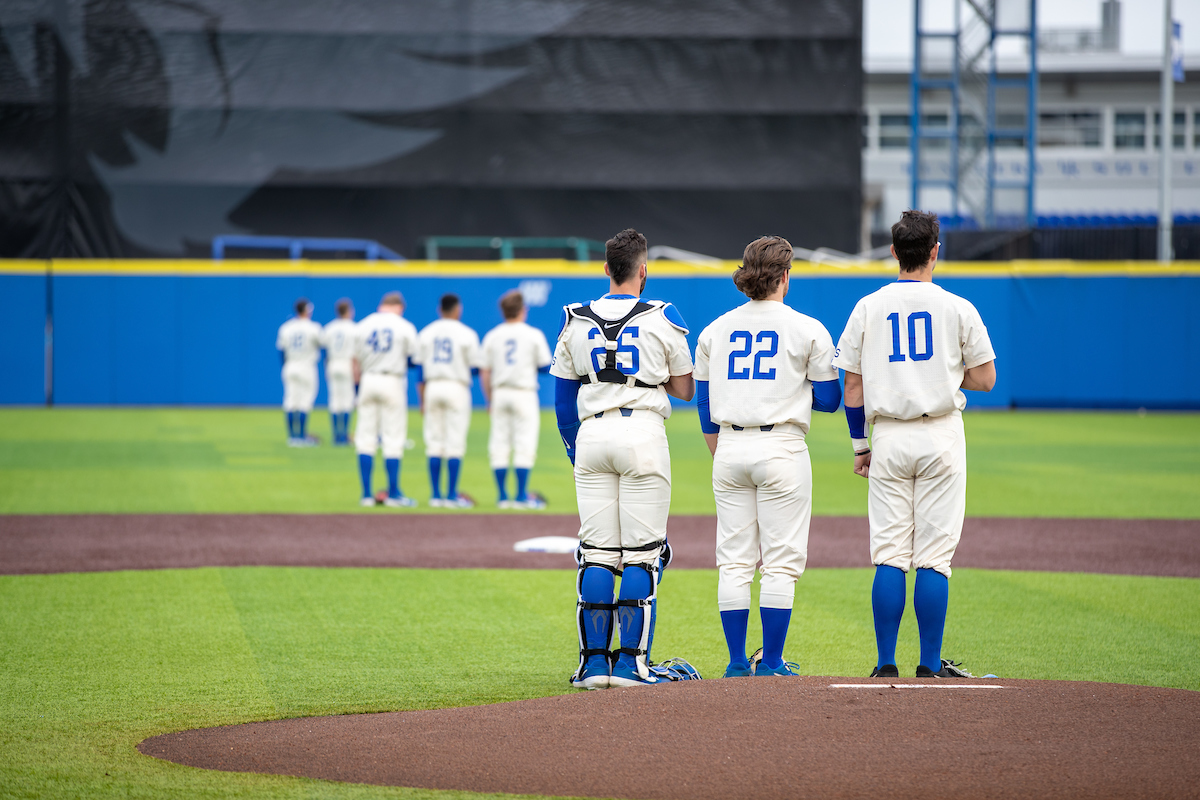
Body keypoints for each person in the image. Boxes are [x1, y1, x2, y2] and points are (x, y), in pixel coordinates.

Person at [831, 210, 997, 679]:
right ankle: (927, 663)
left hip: (887, 436)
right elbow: (986, 378)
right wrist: (942, 374)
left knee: (889, 553)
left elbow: (853, 390)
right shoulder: (957, 307)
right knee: (933, 556)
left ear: (893, 252)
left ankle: (886, 662)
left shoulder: (868, 306)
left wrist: (860, 447)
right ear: (934, 252)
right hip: (940, 432)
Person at [551, 228, 695, 689]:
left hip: (591, 433)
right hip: (642, 432)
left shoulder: (575, 318)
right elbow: (686, 389)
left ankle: (593, 666)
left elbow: (561, 399)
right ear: (643, 269)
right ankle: (632, 664)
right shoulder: (662, 316)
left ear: (606, 268)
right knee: (641, 555)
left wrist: (576, 449)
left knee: (596, 554)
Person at [694, 235, 842, 678]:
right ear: (784, 276)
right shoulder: (807, 327)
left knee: (735, 561)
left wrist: (720, 448)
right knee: (780, 561)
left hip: (730, 445)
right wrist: (790, 391)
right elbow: (832, 399)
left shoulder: (715, 329)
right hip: (781, 446)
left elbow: (703, 401)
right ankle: (772, 662)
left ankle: (738, 662)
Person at [480, 290, 553, 509]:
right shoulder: (532, 334)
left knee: (499, 444)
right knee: (524, 444)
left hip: (500, 392)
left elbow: (485, 371)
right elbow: (545, 365)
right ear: (522, 310)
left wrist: (489, 400)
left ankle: (503, 497)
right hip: (524, 392)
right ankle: (521, 497)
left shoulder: (493, 335)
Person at [353, 291, 421, 508]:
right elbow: (414, 359)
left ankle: (365, 494)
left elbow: (354, 361)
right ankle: (393, 493)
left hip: (368, 379)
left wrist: (358, 386)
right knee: (393, 439)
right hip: (392, 380)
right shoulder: (404, 325)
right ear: (399, 307)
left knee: (365, 438)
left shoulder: (363, 324)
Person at [418, 294, 482, 508]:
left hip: (433, 385)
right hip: (456, 385)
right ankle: (451, 495)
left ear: (440, 309)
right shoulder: (467, 333)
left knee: (434, 442)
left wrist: (421, 399)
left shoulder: (426, 332)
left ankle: (436, 495)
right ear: (457, 310)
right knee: (454, 442)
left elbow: (419, 369)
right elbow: (475, 367)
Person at [276, 298, 323, 447]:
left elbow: (281, 350)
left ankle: (292, 437)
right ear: (306, 310)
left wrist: (285, 366)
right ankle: (301, 436)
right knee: (304, 402)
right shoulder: (313, 327)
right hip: (306, 366)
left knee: (290, 401)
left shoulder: (286, 327)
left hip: (290, 365)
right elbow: (322, 344)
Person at [321, 298, 357, 445]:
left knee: (335, 400)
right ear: (348, 311)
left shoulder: (329, 327)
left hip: (333, 363)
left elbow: (324, 351)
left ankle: (336, 435)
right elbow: (357, 354)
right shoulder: (354, 328)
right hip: (347, 363)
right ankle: (344, 435)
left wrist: (326, 367)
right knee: (347, 401)